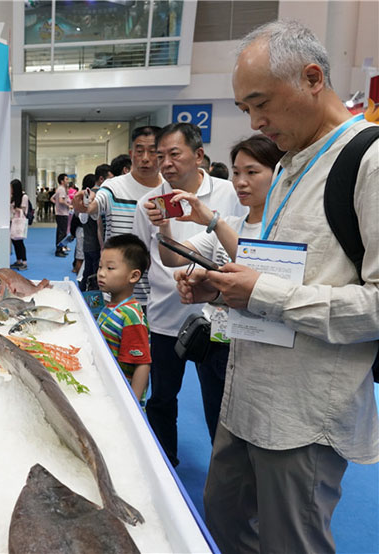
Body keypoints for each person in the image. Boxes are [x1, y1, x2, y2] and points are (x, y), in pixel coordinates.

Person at [174, 21, 378, 553]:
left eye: (260, 103)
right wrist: (224, 289)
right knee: (221, 519)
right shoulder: (287, 164)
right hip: (244, 397)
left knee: (292, 540)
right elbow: (283, 272)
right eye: (244, 109)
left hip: (303, 414)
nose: (256, 121)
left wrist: (260, 294)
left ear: (313, 77)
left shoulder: (367, 161)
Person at [146, 134, 282, 441]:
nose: (241, 182)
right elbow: (171, 257)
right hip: (218, 342)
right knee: (219, 433)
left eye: (252, 172)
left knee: (255, 437)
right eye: (236, 173)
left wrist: (213, 222)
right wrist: (164, 223)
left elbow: (260, 270)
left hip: (261, 349)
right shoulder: (232, 223)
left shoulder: (280, 229)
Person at [132, 122, 245, 467]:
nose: (164, 162)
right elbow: (146, 259)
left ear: (198, 155)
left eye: (173, 154)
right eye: (158, 154)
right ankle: (165, 461)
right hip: (167, 315)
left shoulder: (229, 193)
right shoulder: (148, 204)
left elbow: (241, 249)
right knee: (163, 396)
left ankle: (225, 468)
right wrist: (139, 310)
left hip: (221, 319)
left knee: (220, 400)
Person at [73, 126, 164, 306]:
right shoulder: (114, 186)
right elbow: (95, 203)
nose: (145, 158)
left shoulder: (168, 189)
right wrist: (85, 205)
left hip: (159, 293)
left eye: (152, 152)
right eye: (139, 151)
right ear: (131, 153)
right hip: (119, 295)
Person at [96, 233, 151, 405]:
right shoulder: (111, 305)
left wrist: (132, 403)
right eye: (100, 267)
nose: (101, 274)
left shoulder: (131, 316)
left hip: (120, 396)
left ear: (133, 276)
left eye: (110, 268)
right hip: (108, 388)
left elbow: (142, 364)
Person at [78, 173, 100, 290]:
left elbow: (82, 219)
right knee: (94, 274)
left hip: (87, 242)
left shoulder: (83, 200)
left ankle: (82, 292)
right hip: (96, 244)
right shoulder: (97, 198)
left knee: (87, 271)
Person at [9, 179, 29, 270]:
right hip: (13, 221)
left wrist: (14, 208)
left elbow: (23, 210)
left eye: (12, 188)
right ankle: (18, 260)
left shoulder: (24, 197)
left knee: (20, 242)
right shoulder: (12, 196)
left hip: (20, 221)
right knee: (14, 241)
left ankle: (24, 262)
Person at [52, 174, 70, 257]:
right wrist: (68, 205)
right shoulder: (61, 189)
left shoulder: (60, 189)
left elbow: (53, 199)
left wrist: (57, 205)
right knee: (62, 233)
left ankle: (60, 249)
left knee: (60, 232)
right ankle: (59, 250)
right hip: (62, 213)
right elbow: (61, 200)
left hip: (60, 213)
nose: (68, 180)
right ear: (62, 181)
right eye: (66, 179)